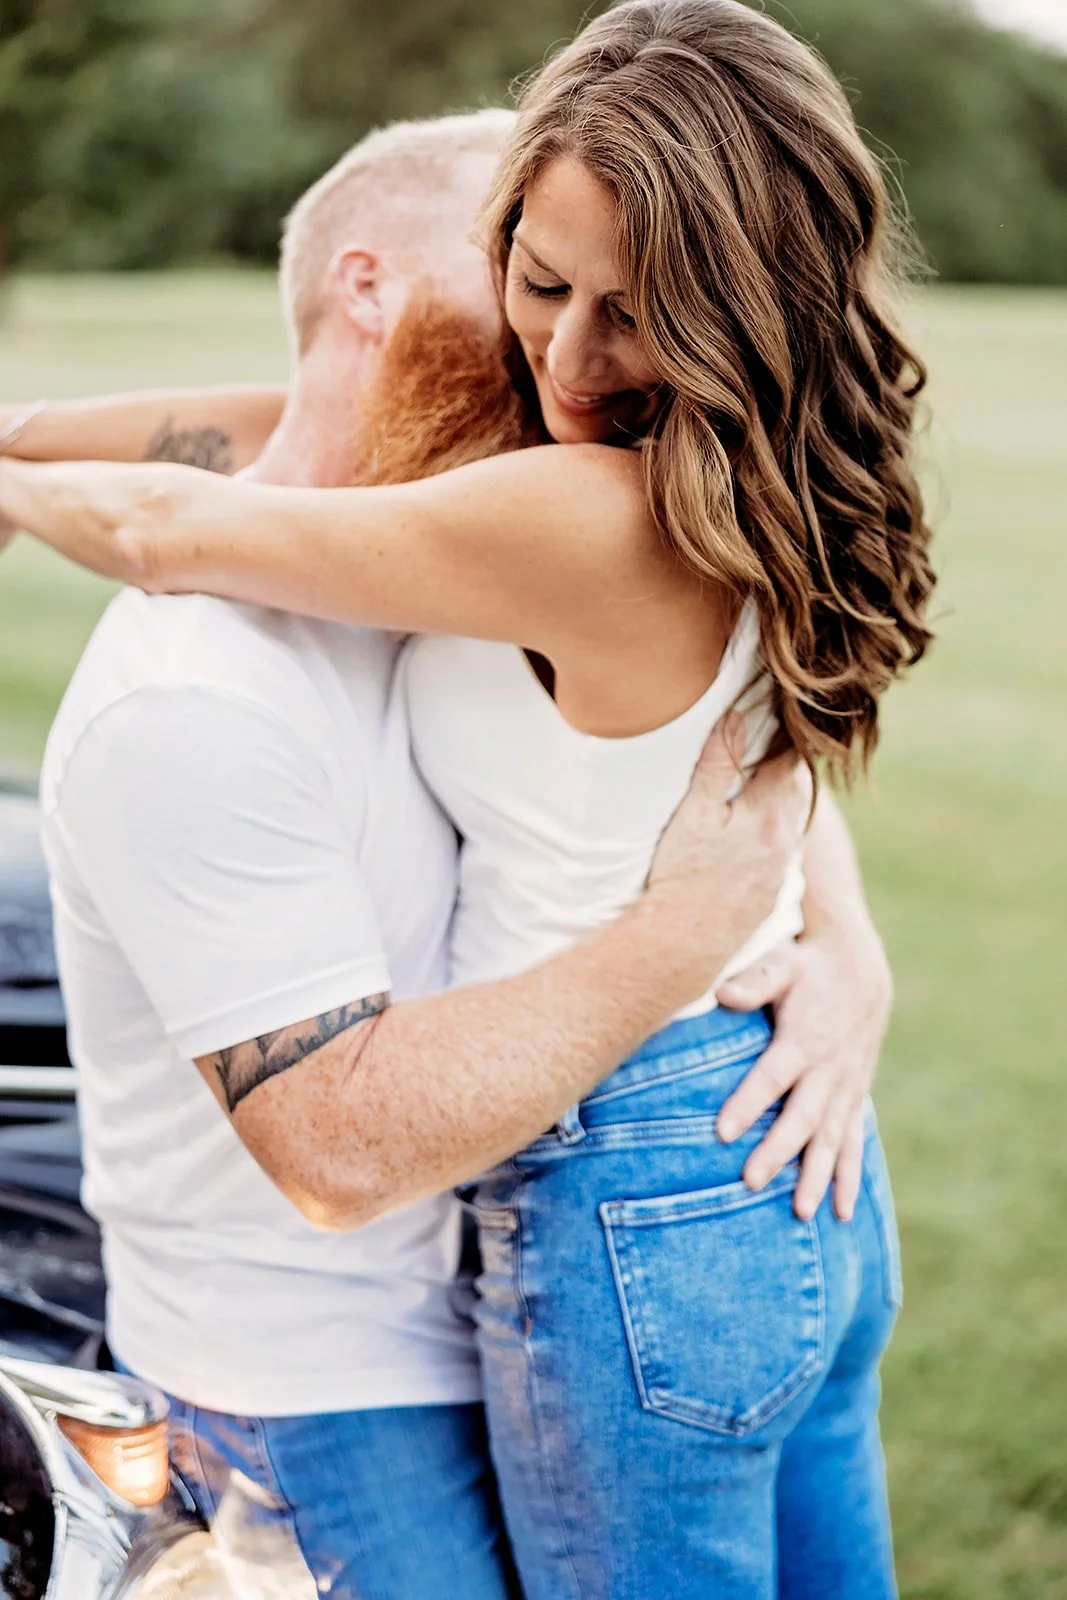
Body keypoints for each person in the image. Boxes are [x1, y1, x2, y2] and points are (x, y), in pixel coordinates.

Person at [0, 1, 928, 1588]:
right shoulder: (715, 461)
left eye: (630, 311)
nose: (558, 359)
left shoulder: (573, 508)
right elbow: (268, 429)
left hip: (636, 1178)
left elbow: (170, 517)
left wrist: (714, 933)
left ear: (730, 306)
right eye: (533, 279)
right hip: (757, 1170)